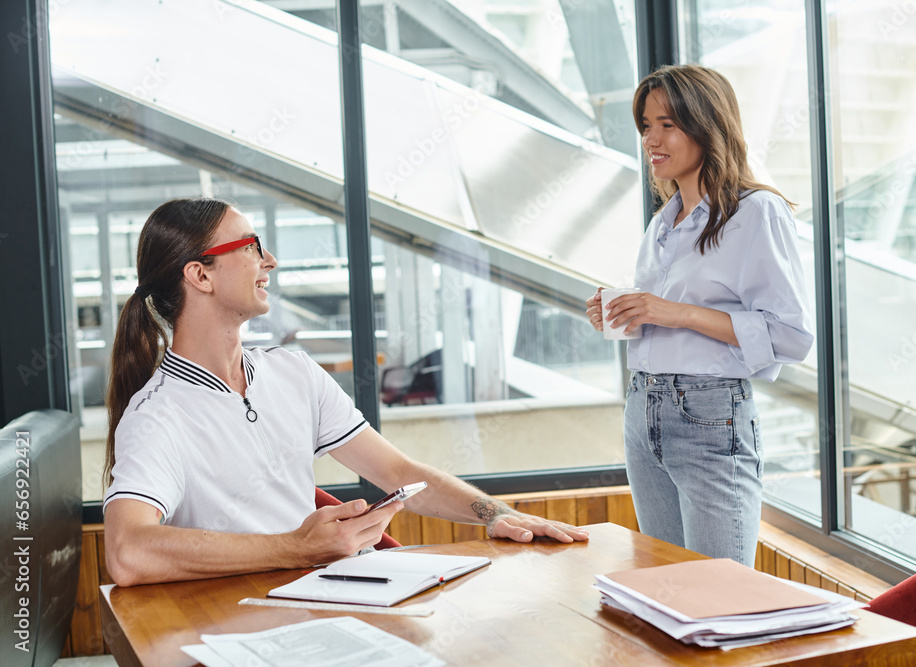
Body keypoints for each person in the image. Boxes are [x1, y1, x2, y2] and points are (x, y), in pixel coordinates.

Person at [103, 197, 588, 587]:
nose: (269, 259)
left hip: (328, 594)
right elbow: (128, 553)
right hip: (236, 616)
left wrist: (498, 515)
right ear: (200, 275)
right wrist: (295, 546)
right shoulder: (157, 416)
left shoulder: (293, 373)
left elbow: (399, 473)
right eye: (251, 246)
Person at [585, 65, 813, 567]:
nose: (652, 138)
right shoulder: (663, 224)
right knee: (667, 585)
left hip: (708, 412)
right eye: (646, 125)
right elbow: (667, 321)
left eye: (668, 124)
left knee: (719, 595)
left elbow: (792, 336)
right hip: (643, 408)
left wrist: (676, 312)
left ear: (707, 125)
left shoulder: (756, 212)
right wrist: (626, 313)